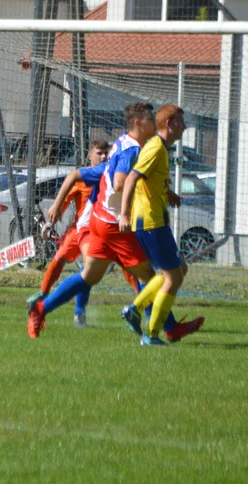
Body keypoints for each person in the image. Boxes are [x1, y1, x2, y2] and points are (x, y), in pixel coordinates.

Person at [26, 102, 158, 338]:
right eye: (151, 119)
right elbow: (119, 183)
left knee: (91, 275)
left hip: (100, 223)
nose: (155, 123)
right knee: (149, 276)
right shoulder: (130, 151)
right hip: (107, 225)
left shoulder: (120, 147)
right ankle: (154, 331)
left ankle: (41, 309)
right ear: (138, 123)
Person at [119, 104, 205, 346]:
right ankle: (152, 334)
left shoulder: (160, 149)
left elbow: (150, 180)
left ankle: (135, 310)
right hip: (150, 223)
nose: (185, 127)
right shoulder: (156, 147)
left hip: (150, 222)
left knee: (177, 271)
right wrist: (123, 215)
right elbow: (132, 178)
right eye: (181, 122)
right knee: (173, 278)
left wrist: (168, 193)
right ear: (170, 124)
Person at [24, 139, 109, 328]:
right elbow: (62, 203)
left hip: (100, 231)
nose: (103, 156)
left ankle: (79, 313)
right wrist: (49, 224)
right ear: (89, 155)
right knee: (60, 257)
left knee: (88, 268)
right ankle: (43, 295)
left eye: (106, 153)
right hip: (80, 229)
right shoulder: (82, 178)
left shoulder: (110, 175)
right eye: (99, 153)